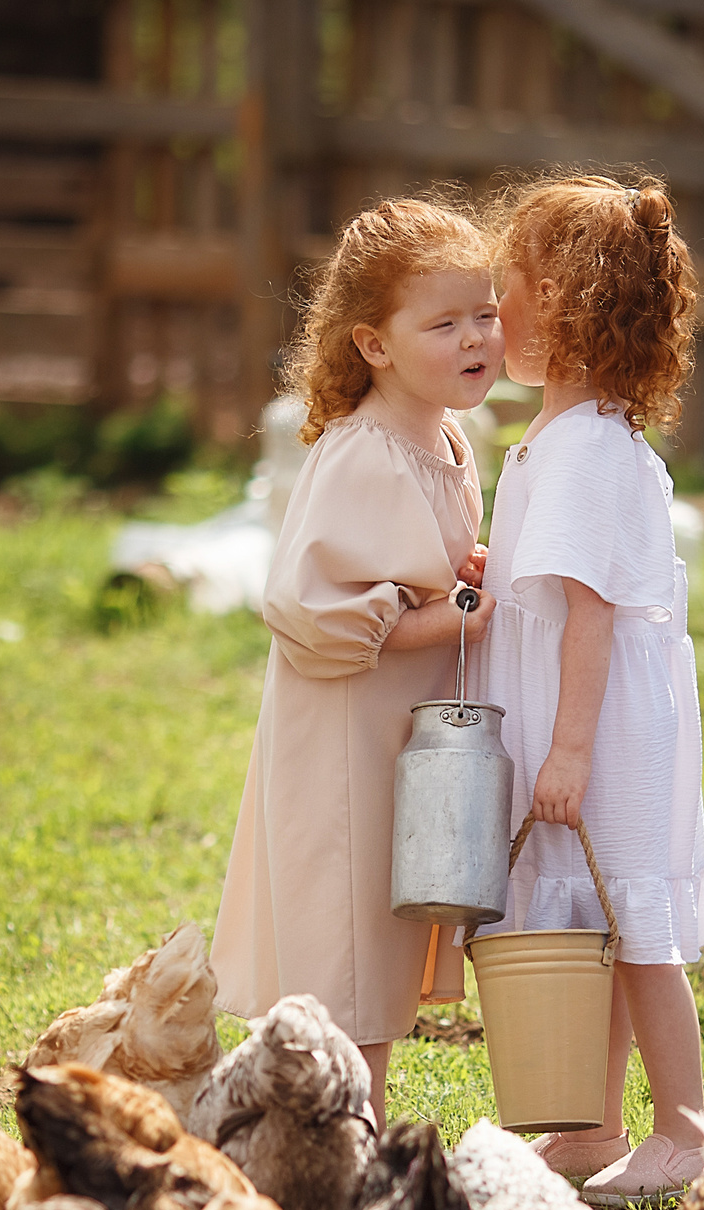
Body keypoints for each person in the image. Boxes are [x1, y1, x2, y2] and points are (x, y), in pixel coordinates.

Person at [212, 199, 502, 1124]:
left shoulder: (447, 440)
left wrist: (461, 579)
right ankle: (344, 1132)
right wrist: (458, 612)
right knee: (345, 936)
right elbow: (314, 614)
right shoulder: (362, 452)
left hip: (400, 731)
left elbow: (417, 571)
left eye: (487, 314)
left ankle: (344, 1124)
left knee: (384, 929)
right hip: (345, 736)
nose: (477, 338)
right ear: (374, 345)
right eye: (445, 322)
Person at [477, 175, 704, 1205]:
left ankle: (684, 1129)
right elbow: (553, 582)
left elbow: (589, 612)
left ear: (563, 305)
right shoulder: (573, 438)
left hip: (603, 725)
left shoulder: (584, 447)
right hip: (596, 709)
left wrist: (569, 748)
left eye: (509, 289)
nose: (495, 313)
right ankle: (589, 1126)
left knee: (633, 923)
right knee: (600, 918)